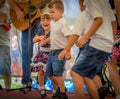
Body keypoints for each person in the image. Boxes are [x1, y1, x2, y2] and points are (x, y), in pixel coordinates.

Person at [58, 0, 117, 99]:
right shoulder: (105, 3)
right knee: (88, 76)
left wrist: (83, 39)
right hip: (105, 45)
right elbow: (113, 22)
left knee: (75, 72)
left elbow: (98, 20)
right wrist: (112, 40)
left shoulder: (90, 2)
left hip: (96, 43)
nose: (80, 5)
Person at [7, 0, 44, 88]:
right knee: (26, 54)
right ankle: (27, 82)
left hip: (40, 18)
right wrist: (17, 9)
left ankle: (41, 83)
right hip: (25, 21)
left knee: (44, 51)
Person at [45, 0, 71, 99]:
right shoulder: (52, 22)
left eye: (53, 12)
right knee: (49, 74)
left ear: (61, 11)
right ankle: (62, 87)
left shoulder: (63, 23)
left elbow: (69, 37)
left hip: (60, 51)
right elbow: (53, 36)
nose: (50, 15)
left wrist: (68, 51)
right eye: (49, 12)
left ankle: (63, 94)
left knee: (58, 74)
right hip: (52, 51)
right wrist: (45, 41)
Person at [30, 13, 51, 98]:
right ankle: (41, 88)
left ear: (52, 21)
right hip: (42, 53)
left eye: (47, 20)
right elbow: (34, 39)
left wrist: (47, 41)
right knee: (40, 71)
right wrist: (40, 37)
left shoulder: (54, 31)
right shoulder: (40, 30)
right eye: (43, 20)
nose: (45, 22)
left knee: (51, 74)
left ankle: (58, 88)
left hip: (51, 53)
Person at [0, 0, 12, 90]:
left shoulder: (7, 9)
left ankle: (8, 87)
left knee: (5, 64)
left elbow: (8, 27)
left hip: (4, 42)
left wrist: (4, 23)